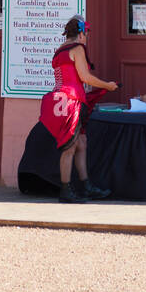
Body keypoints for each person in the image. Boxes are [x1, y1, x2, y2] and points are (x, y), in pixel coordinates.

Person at [39, 15, 118, 203]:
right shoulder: (78, 49)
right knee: (70, 146)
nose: (87, 38)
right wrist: (107, 86)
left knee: (81, 143)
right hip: (71, 101)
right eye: (86, 33)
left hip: (60, 99)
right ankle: (65, 190)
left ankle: (85, 185)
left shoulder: (59, 50)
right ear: (81, 33)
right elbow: (85, 77)